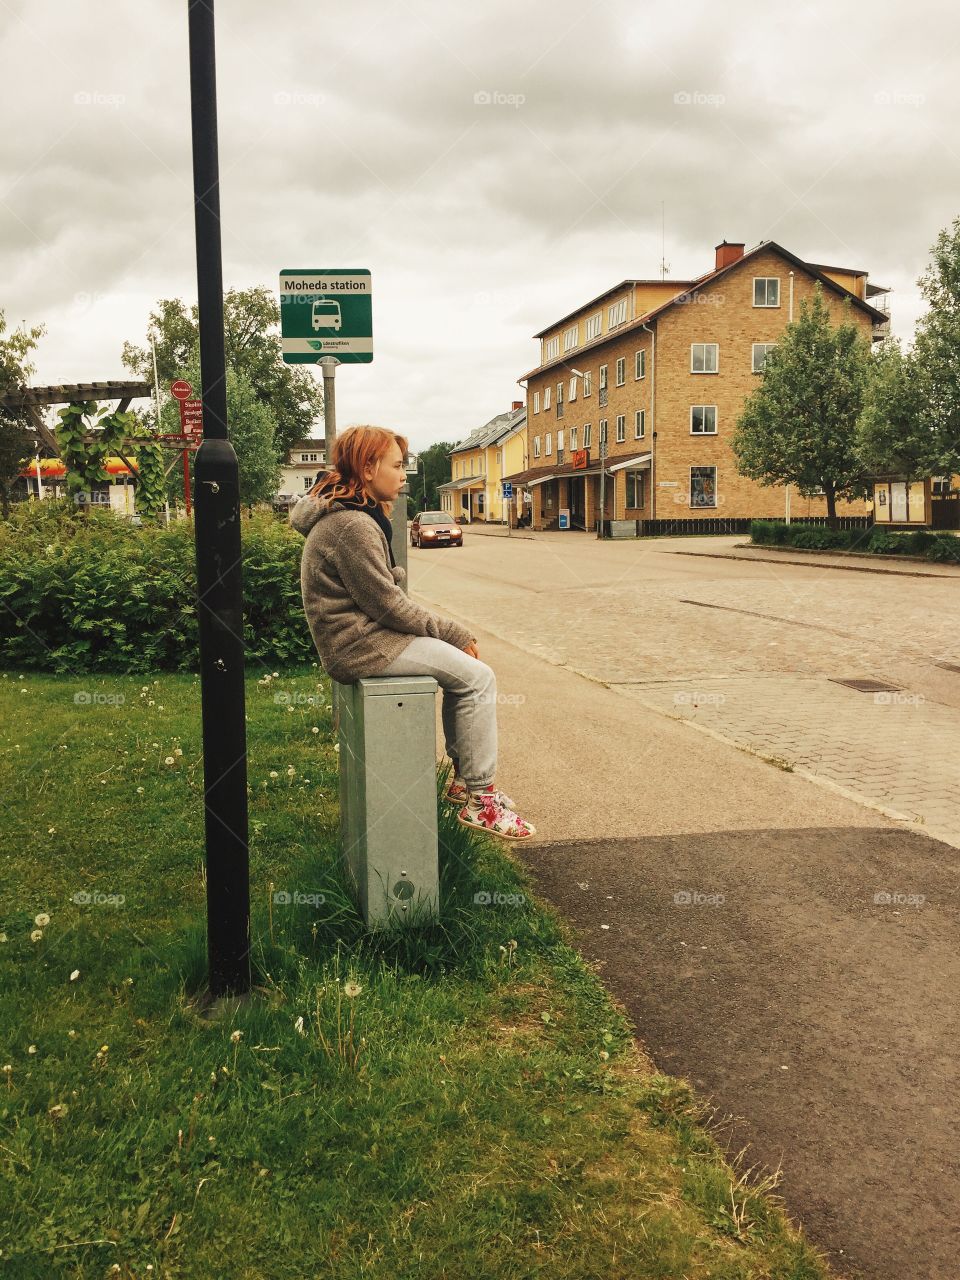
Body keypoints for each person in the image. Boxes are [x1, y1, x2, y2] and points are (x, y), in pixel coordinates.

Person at [289, 424, 535, 841]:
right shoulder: (352, 525)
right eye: (398, 465)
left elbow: (379, 592)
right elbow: (387, 603)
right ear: (368, 469)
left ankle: (465, 783)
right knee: (478, 678)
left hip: (367, 637)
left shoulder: (351, 515)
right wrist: (453, 632)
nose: (405, 475)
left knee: (466, 677)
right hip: (361, 646)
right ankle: (481, 800)